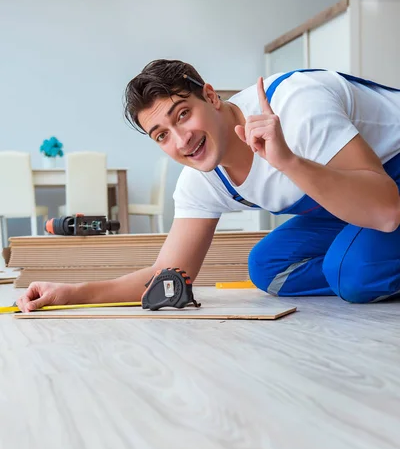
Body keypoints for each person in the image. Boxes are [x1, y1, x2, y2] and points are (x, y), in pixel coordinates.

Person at [17, 59, 400, 312]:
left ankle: (360, 268)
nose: (181, 141)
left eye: (183, 115)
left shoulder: (297, 108)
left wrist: (288, 161)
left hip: (384, 180)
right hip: (347, 194)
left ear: (212, 97)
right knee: (268, 266)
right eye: (161, 135)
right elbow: (167, 275)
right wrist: (71, 293)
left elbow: (385, 209)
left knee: (353, 271)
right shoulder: (202, 176)